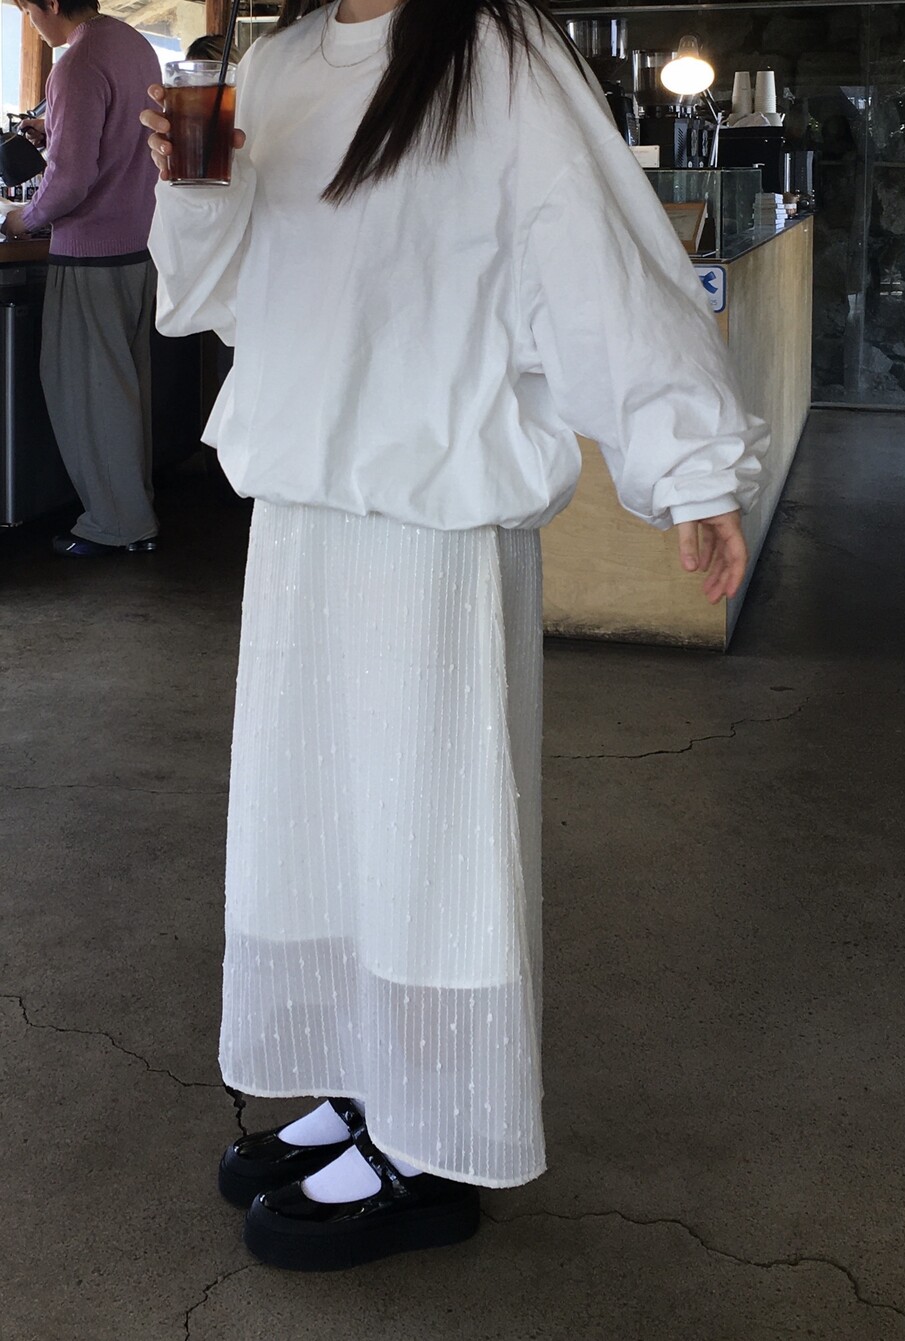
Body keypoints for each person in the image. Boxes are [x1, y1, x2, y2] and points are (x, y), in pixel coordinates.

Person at [141, 0, 767, 1272]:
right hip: (304, 512)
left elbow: (593, 258)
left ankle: (430, 1146)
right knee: (314, 828)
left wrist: (691, 464)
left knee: (428, 846)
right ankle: (360, 1085)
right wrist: (192, 188)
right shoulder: (279, 63)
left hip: (435, 522)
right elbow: (212, 298)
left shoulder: (494, 52)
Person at [5, 0, 160, 557]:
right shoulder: (131, 43)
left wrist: (22, 219)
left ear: (49, 3)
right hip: (140, 245)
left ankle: (118, 525)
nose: (29, 21)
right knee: (123, 390)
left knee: (89, 394)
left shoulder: (75, 62)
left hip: (91, 249)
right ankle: (133, 510)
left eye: (26, 8)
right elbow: (121, 134)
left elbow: (69, 182)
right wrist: (53, 126)